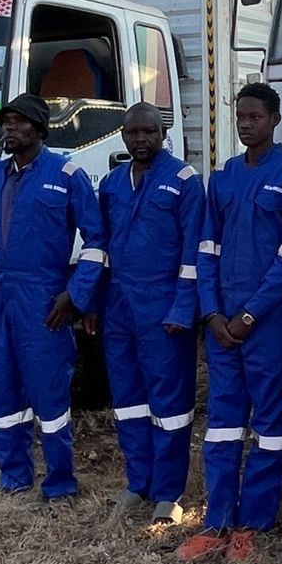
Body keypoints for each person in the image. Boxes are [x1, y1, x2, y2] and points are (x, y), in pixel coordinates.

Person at [178, 83, 282, 563]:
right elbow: (206, 248)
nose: (246, 124)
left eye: (256, 116)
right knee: (222, 425)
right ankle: (216, 522)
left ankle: (252, 525)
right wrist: (212, 313)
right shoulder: (224, 175)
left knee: (272, 427)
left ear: (275, 119)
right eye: (241, 117)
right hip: (224, 325)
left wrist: (250, 315)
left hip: (270, 324)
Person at [0, 93, 105, 499]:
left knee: (49, 391)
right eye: (6, 120)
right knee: (2, 389)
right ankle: (14, 476)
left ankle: (60, 482)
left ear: (40, 129)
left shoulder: (67, 174)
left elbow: (96, 241)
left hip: (42, 298)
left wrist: (75, 295)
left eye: (19, 121)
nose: (10, 127)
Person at [96, 102, 206, 523]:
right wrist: (95, 303)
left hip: (164, 307)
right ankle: (137, 482)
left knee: (170, 403)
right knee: (128, 400)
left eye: (149, 131)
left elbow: (194, 253)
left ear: (164, 134)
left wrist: (183, 307)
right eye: (133, 132)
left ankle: (168, 492)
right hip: (120, 306)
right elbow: (103, 249)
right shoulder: (112, 183)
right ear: (123, 135)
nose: (141, 139)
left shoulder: (183, 180)